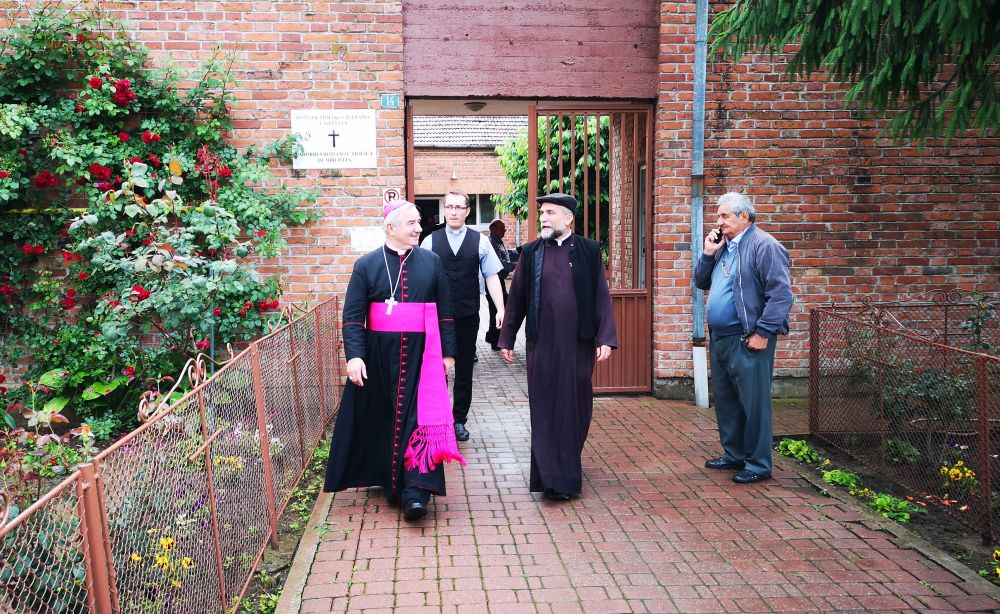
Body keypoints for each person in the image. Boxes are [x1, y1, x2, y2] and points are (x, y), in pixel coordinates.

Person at [324, 199, 465, 522]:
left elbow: (445, 312)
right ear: (391, 228)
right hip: (378, 357)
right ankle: (391, 480)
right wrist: (355, 357)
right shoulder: (367, 265)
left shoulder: (431, 262)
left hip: (422, 356)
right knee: (385, 418)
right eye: (412, 224)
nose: (419, 228)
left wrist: (448, 353)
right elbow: (352, 317)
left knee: (419, 420)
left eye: (419, 223)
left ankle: (415, 491)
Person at [498, 193, 617, 501]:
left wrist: (605, 337)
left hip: (578, 344)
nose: (545, 218)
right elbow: (518, 300)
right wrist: (507, 337)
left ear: (568, 218)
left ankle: (566, 466)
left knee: (576, 407)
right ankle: (552, 479)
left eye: (551, 212)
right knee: (545, 407)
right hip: (543, 344)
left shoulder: (590, 251)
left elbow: (600, 296)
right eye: (543, 213)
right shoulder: (532, 252)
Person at [694, 192, 793, 485]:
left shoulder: (765, 246)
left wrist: (763, 332)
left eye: (724, 216)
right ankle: (734, 454)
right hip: (721, 337)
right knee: (726, 401)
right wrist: (708, 253)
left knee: (754, 403)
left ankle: (759, 464)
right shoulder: (725, 246)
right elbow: (700, 282)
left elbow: (781, 295)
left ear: (745, 217)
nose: (718, 222)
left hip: (748, 338)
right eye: (718, 216)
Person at [420, 191, 505, 443]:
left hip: (468, 315)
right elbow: (420, 279)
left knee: (465, 369)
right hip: (436, 317)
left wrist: (501, 309)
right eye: (449, 207)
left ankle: (459, 421)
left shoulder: (480, 241)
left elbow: (491, 276)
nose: (454, 211)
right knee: (437, 369)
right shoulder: (429, 242)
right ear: (444, 210)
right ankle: (439, 418)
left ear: (468, 211)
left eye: (459, 207)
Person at [484, 219, 516, 350]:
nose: (504, 231)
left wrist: (519, 252)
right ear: (493, 229)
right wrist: (518, 266)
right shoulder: (491, 243)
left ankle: (491, 336)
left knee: (497, 309)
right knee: (497, 310)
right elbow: (499, 263)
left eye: (504, 228)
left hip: (499, 280)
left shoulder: (497, 240)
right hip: (493, 280)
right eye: (502, 228)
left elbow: (506, 254)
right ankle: (495, 340)